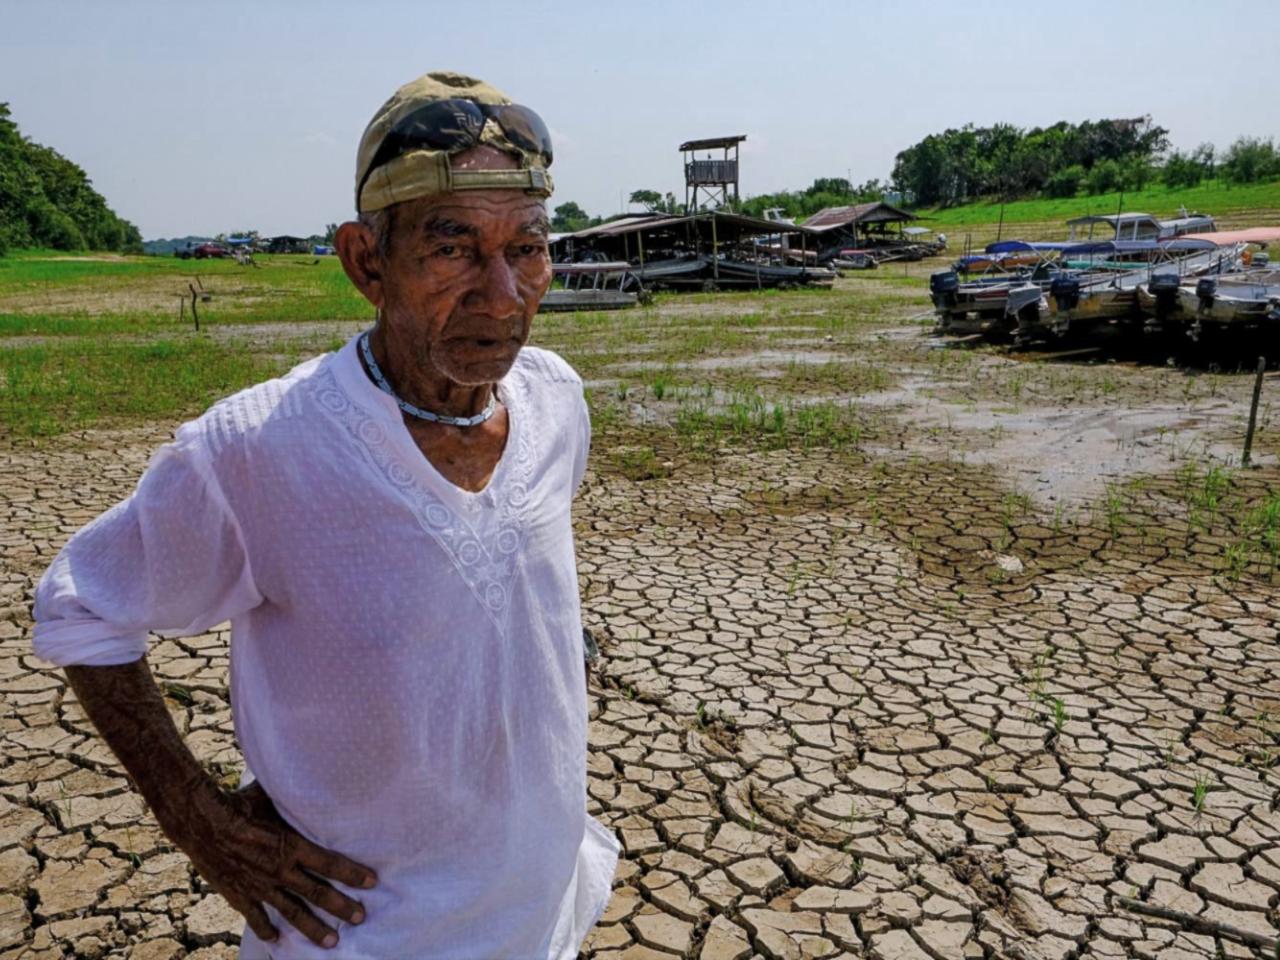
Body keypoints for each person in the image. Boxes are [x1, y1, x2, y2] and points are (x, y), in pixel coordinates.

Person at [31, 70, 618, 959]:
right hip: (363, 938)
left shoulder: (554, 401)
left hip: (540, 917)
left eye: (527, 247)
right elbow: (82, 609)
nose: (503, 294)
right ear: (365, 261)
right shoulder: (258, 447)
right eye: (454, 247)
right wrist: (205, 825)